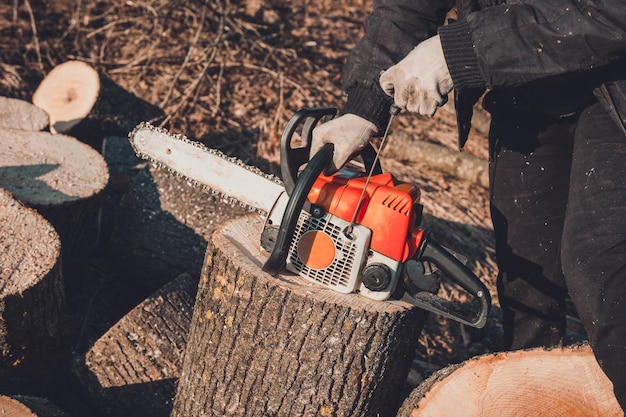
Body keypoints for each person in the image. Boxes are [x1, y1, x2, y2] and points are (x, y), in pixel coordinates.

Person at [310, 0, 626, 410]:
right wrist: (363, 109)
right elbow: (406, 9)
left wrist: (461, 51)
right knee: (527, 282)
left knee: (598, 262)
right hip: (525, 88)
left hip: (616, 90)